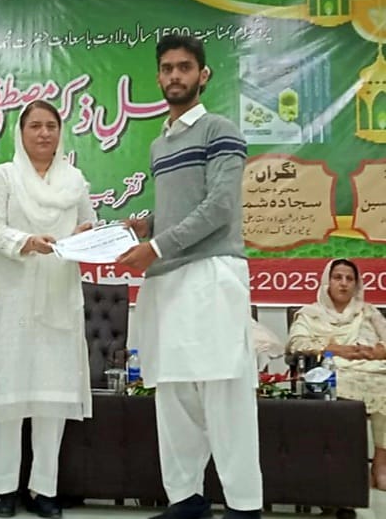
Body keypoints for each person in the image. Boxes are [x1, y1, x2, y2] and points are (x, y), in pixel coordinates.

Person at [118, 35, 262, 519]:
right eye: (167, 68)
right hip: (168, 280)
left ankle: (244, 506)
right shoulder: (159, 144)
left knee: (224, 394)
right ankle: (187, 501)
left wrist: (156, 245)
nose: (175, 75)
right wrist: (148, 226)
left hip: (212, 274)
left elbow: (219, 208)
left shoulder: (220, 130)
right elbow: (181, 208)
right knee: (174, 394)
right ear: (158, 77)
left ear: (203, 75)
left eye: (184, 67)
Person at [0, 100, 96, 519]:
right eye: (35, 126)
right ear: (21, 131)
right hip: (13, 296)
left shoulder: (74, 180)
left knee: (52, 395)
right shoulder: (4, 176)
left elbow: (88, 225)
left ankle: (44, 489)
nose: (44, 133)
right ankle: (4, 489)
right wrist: (26, 242)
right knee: (9, 394)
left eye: (51, 126)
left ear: (60, 132)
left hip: (59, 294)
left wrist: (83, 235)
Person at [287, 258, 386, 491]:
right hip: (333, 370)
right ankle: (349, 465)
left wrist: (378, 351)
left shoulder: (367, 312)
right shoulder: (311, 314)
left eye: (349, 279)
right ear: (327, 282)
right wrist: (337, 349)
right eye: (338, 277)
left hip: (371, 368)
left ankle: (380, 464)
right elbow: (296, 343)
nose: (343, 283)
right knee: (339, 386)